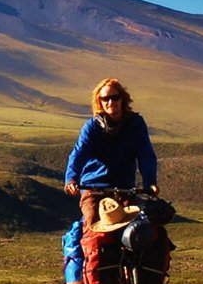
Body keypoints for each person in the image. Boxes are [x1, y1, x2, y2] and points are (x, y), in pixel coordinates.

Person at [64, 78, 159, 229]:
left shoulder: (135, 124)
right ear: (99, 102)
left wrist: (150, 182)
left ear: (122, 99)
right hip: (94, 188)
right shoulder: (93, 127)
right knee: (93, 225)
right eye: (105, 99)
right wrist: (71, 179)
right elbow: (78, 154)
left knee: (140, 230)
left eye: (115, 97)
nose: (110, 102)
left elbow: (145, 154)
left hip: (125, 189)